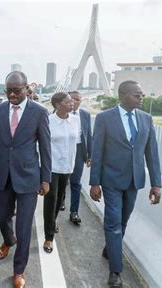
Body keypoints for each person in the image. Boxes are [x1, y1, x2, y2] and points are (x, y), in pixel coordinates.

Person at [89, 80, 161, 287]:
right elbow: (97, 151)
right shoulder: (104, 118)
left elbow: (152, 154)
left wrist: (156, 184)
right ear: (123, 96)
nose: (141, 98)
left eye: (142, 95)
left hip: (134, 181)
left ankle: (109, 249)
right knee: (113, 222)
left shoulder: (147, 119)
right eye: (137, 95)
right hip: (111, 180)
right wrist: (95, 182)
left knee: (123, 221)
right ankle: (115, 272)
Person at [0, 71, 51, 288]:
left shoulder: (39, 112)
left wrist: (46, 178)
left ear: (26, 88)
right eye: (8, 90)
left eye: (16, 90)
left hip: (28, 177)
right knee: (2, 216)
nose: (12, 95)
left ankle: (19, 269)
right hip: (5, 176)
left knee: (24, 226)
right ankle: (9, 241)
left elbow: (45, 147)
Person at [43, 92, 79, 254]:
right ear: (58, 105)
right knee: (51, 198)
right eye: (68, 102)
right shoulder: (48, 122)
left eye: (72, 101)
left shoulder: (75, 121)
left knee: (60, 199)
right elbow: (41, 146)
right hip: (52, 166)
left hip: (67, 166)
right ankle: (49, 236)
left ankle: (53, 220)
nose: (72, 104)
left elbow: (76, 143)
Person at [67, 91, 92, 224]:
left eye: (79, 100)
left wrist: (90, 154)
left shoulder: (85, 115)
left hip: (79, 151)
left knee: (76, 182)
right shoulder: (58, 114)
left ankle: (74, 212)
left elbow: (89, 135)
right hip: (63, 151)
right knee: (61, 182)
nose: (77, 102)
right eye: (74, 99)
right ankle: (59, 204)